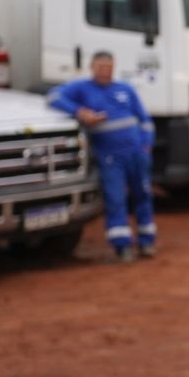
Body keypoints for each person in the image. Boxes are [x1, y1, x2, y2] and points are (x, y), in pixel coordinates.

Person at [48, 50, 156, 261]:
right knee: (116, 198)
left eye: (108, 68)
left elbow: (144, 119)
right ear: (92, 68)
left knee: (143, 195)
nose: (105, 72)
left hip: (136, 154)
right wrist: (80, 112)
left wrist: (146, 145)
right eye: (100, 68)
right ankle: (122, 245)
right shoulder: (83, 88)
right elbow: (53, 96)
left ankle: (147, 241)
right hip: (110, 157)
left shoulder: (125, 89)